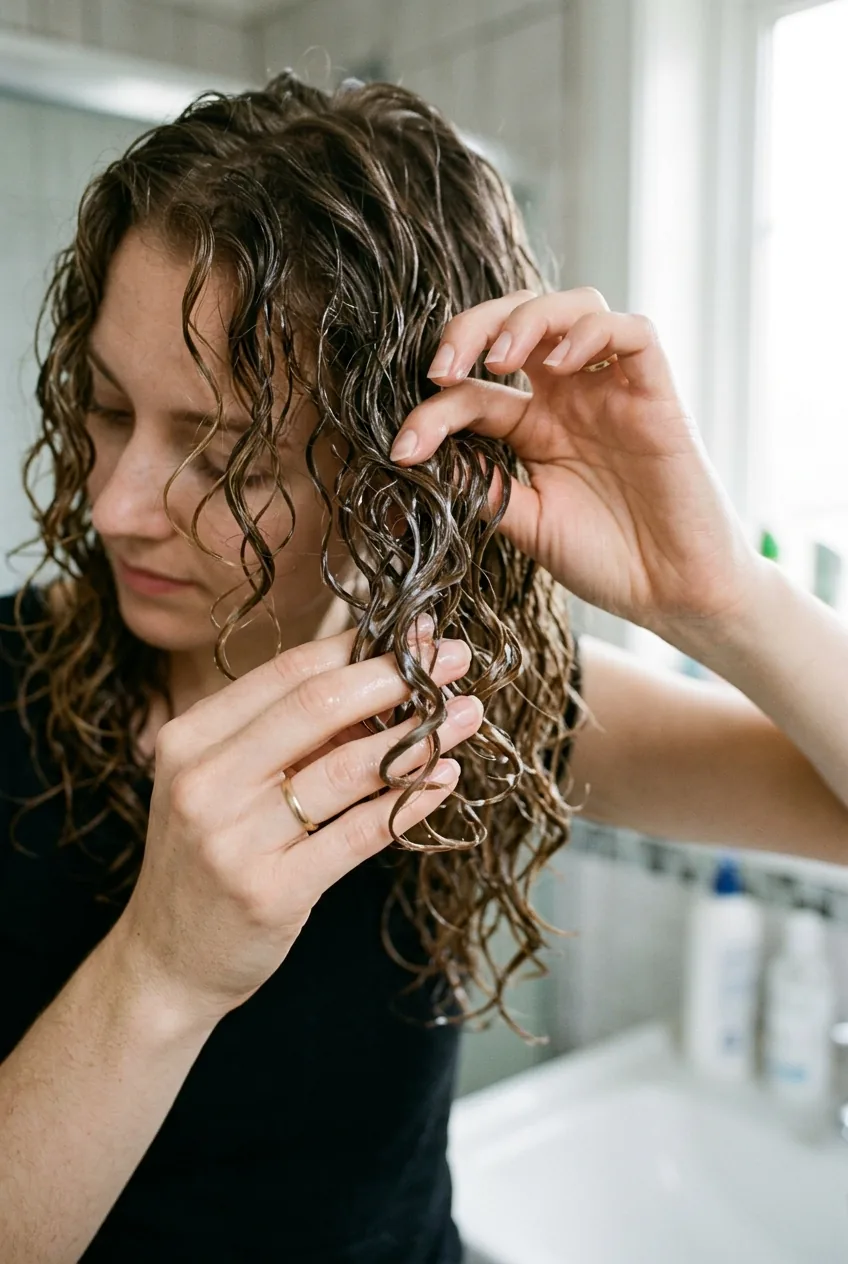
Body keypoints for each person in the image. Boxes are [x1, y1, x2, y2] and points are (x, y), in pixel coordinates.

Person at [1, 70, 847, 1264]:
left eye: (226, 458)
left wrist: (719, 598)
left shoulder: (467, 697)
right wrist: (159, 969)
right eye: (101, 408)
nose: (117, 502)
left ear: (392, 477)